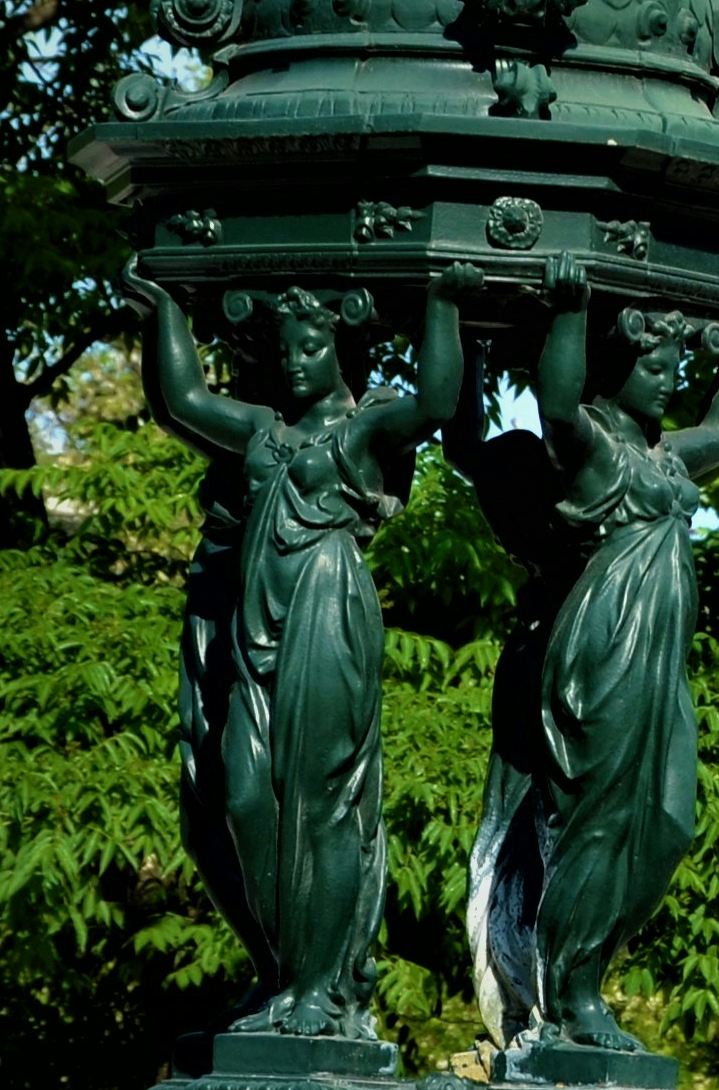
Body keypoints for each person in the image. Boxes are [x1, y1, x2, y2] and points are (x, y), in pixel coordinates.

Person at [464, 260, 719, 1058]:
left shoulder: (666, 458)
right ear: (616, 368)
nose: (669, 382)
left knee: (667, 823)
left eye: (676, 369)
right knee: (599, 823)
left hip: (658, 672)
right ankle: (571, 996)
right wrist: (573, 315)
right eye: (655, 366)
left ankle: (578, 974)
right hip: (604, 658)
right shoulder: (593, 452)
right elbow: (556, 404)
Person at [134, 273, 469, 1035]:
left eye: (311, 347)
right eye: (285, 349)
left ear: (340, 349)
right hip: (256, 632)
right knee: (242, 796)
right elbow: (181, 402)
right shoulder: (262, 429)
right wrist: (165, 309)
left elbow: (438, 405)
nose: (294, 362)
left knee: (321, 806)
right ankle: (281, 970)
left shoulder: (367, 428)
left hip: (325, 615)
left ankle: (317, 987)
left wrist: (445, 300)